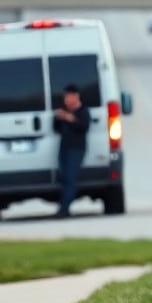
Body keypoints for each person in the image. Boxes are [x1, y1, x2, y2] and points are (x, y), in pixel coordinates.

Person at [53, 83, 90, 218]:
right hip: (64, 148)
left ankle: (64, 208)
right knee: (63, 177)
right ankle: (64, 206)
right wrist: (58, 118)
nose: (66, 99)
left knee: (70, 178)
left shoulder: (83, 111)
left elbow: (83, 127)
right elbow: (56, 128)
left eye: (69, 96)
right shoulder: (64, 111)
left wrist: (69, 118)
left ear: (76, 96)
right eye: (65, 97)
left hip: (76, 149)